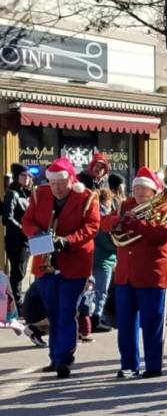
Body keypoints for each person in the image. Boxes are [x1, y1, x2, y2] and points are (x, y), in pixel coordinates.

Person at [22, 157, 100, 379]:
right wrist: (37, 234)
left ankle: (64, 358)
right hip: (45, 263)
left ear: (70, 180)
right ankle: (55, 355)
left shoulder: (87, 197)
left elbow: (92, 227)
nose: (56, 188)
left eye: (61, 183)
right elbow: (27, 221)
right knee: (53, 312)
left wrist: (67, 240)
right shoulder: (40, 194)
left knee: (66, 311)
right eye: (53, 183)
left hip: (74, 262)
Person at [102, 167, 167, 378]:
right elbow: (105, 222)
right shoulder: (125, 205)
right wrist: (119, 222)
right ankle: (129, 365)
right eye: (137, 189)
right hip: (126, 273)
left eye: (144, 190)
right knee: (126, 323)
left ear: (154, 192)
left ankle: (154, 366)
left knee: (153, 323)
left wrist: (138, 225)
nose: (140, 194)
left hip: (153, 274)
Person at [3, 163, 33, 306]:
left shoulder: (24, 194)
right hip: (16, 240)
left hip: (25, 239)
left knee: (20, 272)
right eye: (23, 175)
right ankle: (14, 302)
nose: (27, 178)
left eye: (28, 175)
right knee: (18, 272)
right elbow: (7, 218)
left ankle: (15, 301)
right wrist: (23, 228)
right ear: (16, 177)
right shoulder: (12, 194)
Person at [90, 188, 116, 333]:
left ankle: (92, 317)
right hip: (103, 259)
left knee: (93, 290)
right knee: (101, 291)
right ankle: (96, 318)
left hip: (94, 257)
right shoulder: (102, 216)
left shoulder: (93, 214)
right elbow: (107, 241)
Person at [77, 277, 96, 343]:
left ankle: (84, 334)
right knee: (82, 318)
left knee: (85, 317)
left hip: (85, 303)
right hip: (81, 300)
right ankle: (82, 334)